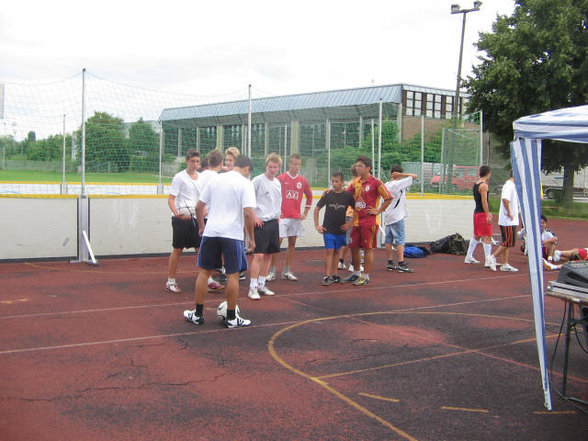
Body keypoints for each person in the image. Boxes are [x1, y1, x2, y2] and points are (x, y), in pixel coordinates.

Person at [183, 155, 256, 328]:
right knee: (232, 275)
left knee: (204, 272)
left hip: (212, 231)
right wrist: (251, 238)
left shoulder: (216, 179)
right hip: (232, 234)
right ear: (246, 169)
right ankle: (232, 317)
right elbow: (247, 213)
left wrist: (201, 227)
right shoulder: (246, 184)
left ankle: (198, 314)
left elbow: (198, 207)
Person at [343, 155, 393, 286]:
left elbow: (388, 198)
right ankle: (356, 273)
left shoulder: (376, 182)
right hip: (356, 221)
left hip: (369, 222)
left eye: (360, 166)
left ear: (368, 168)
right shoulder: (356, 182)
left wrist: (379, 210)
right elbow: (346, 194)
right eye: (357, 166)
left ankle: (366, 276)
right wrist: (331, 192)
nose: (357, 168)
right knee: (353, 247)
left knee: (367, 248)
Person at [267, 153, 313, 281]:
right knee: (277, 243)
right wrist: (276, 210)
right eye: (293, 163)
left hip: (295, 217)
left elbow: (309, 196)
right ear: (289, 164)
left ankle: (287, 270)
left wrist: (305, 213)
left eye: (298, 164)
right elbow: (272, 194)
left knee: (292, 242)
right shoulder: (281, 178)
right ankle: (272, 271)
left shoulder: (302, 181)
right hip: (282, 217)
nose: (296, 166)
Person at [165, 149, 201, 293]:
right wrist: (176, 213)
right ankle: (171, 281)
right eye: (192, 161)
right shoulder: (179, 177)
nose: (195, 164)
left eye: (197, 161)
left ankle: (206, 279)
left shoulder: (201, 178)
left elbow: (202, 200)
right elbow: (171, 198)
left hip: (195, 219)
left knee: (200, 249)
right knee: (178, 249)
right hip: (181, 219)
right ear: (187, 161)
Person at [248, 153, 283, 300]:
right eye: (270, 167)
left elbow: (278, 200)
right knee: (259, 255)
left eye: (275, 167)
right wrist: (254, 216)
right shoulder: (257, 181)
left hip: (274, 222)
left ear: (279, 168)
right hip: (261, 222)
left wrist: (278, 215)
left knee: (269, 254)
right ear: (266, 166)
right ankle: (252, 287)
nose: (272, 169)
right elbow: (249, 200)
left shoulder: (277, 183)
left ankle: (262, 284)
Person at [314, 171, 355, 285]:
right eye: (332, 181)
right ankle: (327, 276)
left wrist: (350, 223)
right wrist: (317, 225)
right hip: (328, 229)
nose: (334, 183)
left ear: (342, 182)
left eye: (336, 181)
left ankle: (335, 275)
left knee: (337, 251)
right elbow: (317, 209)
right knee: (329, 251)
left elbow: (357, 210)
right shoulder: (327, 195)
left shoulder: (347, 196)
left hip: (340, 229)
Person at [196, 149, 227, 291]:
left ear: (207, 161)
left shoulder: (200, 176)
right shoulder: (218, 179)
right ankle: (207, 281)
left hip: (199, 216)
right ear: (221, 163)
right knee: (212, 253)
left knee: (205, 251)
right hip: (212, 218)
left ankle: (207, 279)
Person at [383, 165, 418, 273]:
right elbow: (414, 176)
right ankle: (401, 263)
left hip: (388, 215)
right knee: (400, 240)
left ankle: (390, 263)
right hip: (397, 216)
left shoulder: (386, 185)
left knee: (388, 240)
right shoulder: (398, 183)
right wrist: (402, 175)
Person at [464, 166, 494, 268]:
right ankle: (488, 260)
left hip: (476, 213)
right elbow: (484, 201)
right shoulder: (484, 186)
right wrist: (487, 214)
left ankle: (468, 256)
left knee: (477, 235)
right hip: (481, 214)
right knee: (487, 236)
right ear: (488, 174)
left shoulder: (476, 184)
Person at [489, 171, 520, 272]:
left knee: (507, 241)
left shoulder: (513, 186)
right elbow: (505, 199)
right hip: (507, 220)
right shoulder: (509, 185)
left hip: (511, 220)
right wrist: (509, 212)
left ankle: (505, 263)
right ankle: (492, 257)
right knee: (509, 242)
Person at [337, 164, 362, 272]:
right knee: (356, 241)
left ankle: (340, 261)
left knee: (347, 240)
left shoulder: (349, 184)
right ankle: (353, 264)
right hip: (354, 215)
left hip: (348, 214)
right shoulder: (358, 184)